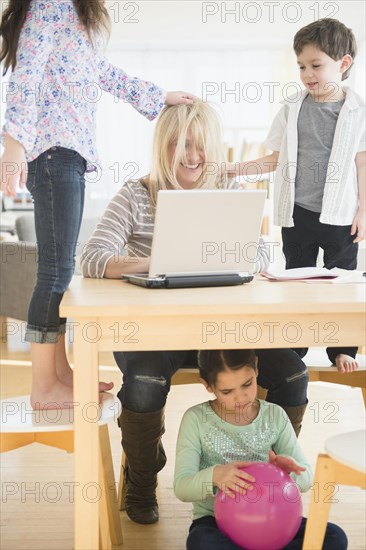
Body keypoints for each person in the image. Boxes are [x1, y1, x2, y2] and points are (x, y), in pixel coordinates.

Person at [80, 101, 309, 525]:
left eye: (201, 146)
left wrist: (232, 255)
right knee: (145, 384)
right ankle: (142, 480)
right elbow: (92, 259)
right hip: (156, 334)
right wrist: (155, 262)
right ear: (162, 147)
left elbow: (261, 253)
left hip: (224, 333)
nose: (192, 156)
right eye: (180, 144)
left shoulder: (228, 191)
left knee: (293, 374)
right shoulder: (136, 193)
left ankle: (270, 470)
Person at [0, 0, 195, 410]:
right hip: (53, 153)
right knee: (54, 271)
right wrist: (12, 146)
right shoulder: (51, 5)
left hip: (65, 156)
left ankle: (60, 373)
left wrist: (159, 97)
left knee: (59, 269)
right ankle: (43, 386)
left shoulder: (76, 16)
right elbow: (26, 78)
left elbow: (103, 74)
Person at [228, 18, 365, 374]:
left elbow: (362, 164)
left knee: (342, 283)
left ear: (344, 64)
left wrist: (364, 210)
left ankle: (342, 348)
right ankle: (295, 346)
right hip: (299, 211)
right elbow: (273, 158)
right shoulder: (292, 107)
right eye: (302, 66)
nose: (307, 74)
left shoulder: (358, 112)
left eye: (316, 65)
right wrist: (235, 170)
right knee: (297, 281)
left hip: (340, 214)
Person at [174, 349, 348, 550]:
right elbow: (182, 487)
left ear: (256, 367)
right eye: (227, 391)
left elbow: (307, 477)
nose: (241, 398)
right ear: (207, 385)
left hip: (275, 519)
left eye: (247, 384)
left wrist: (288, 472)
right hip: (216, 521)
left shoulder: (274, 415)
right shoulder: (195, 419)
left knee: (334, 537)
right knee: (201, 544)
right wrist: (215, 476)